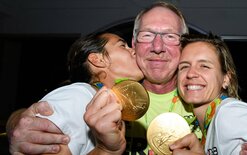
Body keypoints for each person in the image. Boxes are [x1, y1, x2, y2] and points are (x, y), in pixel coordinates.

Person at [6, 1, 247, 155]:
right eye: (147, 35)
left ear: (182, 45)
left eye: (170, 36)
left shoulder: (201, 97)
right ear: (133, 46)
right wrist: (17, 121)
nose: (157, 47)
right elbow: (62, 106)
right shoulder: (105, 93)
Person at [7, 31, 144, 154]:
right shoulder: (78, 95)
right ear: (98, 60)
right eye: (123, 46)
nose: (134, 51)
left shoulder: (102, 99)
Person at [170, 33, 247, 154]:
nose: (191, 73)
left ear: (226, 79)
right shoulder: (212, 121)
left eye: (204, 66)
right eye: (184, 66)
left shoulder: (230, 113)